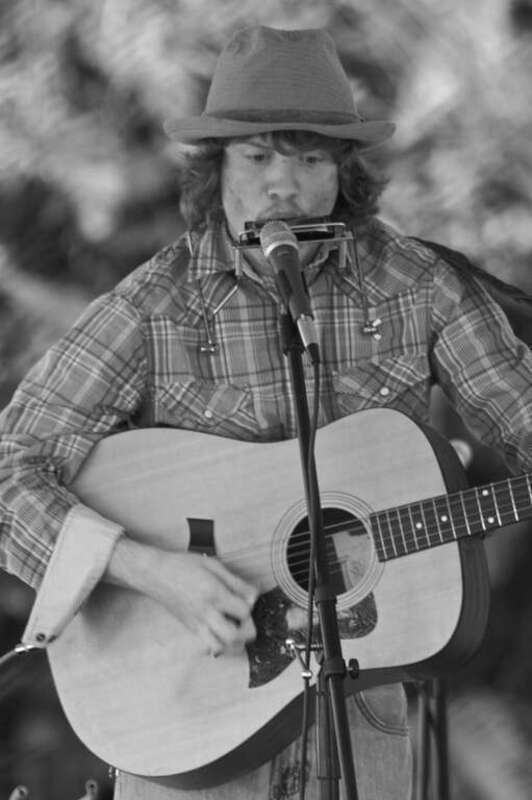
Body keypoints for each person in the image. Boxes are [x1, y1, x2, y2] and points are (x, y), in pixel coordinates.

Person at [0, 24, 531, 800]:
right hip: (186, 712)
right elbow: (11, 473)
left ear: (343, 171)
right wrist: (150, 569)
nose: (284, 187)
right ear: (215, 167)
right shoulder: (154, 307)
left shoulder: (417, 286)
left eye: (310, 159)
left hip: (361, 704)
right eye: (258, 158)